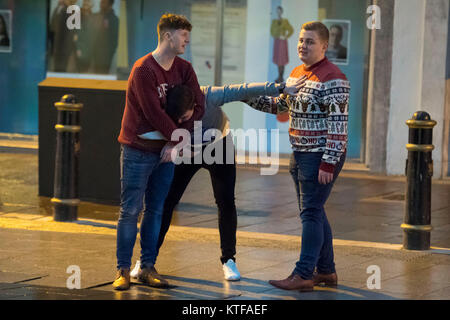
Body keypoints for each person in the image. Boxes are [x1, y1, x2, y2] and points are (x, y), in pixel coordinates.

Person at [128, 77, 306, 282]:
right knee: (167, 201)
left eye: (183, 116)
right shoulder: (172, 102)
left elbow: (243, 89)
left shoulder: (209, 96)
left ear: (194, 105)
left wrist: (280, 87)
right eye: (176, 119)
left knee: (226, 201)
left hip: (218, 146)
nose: (179, 122)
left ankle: (229, 260)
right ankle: (147, 261)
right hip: (188, 150)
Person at [246, 21, 350, 292]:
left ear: (324, 46)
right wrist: (245, 95)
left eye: (310, 41)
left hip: (319, 156)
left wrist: (328, 161)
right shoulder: (295, 73)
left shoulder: (334, 77)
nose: (303, 45)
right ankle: (326, 271)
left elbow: (339, 125)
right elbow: (278, 106)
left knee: (311, 213)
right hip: (300, 153)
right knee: (315, 211)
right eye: (301, 40)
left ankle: (303, 274)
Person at [112, 13, 205, 291]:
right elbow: (152, 112)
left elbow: (198, 105)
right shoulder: (143, 70)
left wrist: (175, 142)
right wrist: (177, 140)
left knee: (156, 210)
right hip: (138, 151)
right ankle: (123, 270)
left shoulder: (185, 69)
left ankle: (147, 267)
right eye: (183, 35)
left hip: (166, 153)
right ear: (167, 36)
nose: (187, 40)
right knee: (130, 211)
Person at [91, 0, 119, 74]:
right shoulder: (95, 16)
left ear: (110, 4)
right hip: (90, 57)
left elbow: (114, 41)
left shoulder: (114, 20)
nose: (101, 3)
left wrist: (108, 55)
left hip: (104, 60)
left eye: (104, 2)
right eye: (101, 1)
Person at [270, 6, 294, 83]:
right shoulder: (274, 21)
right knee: (278, 59)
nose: (279, 12)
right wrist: (277, 35)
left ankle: (281, 77)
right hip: (277, 42)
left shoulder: (285, 21)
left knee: (282, 59)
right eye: (277, 11)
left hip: (283, 42)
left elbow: (291, 30)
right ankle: (279, 77)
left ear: (282, 12)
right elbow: (272, 32)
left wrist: (285, 36)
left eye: (280, 11)